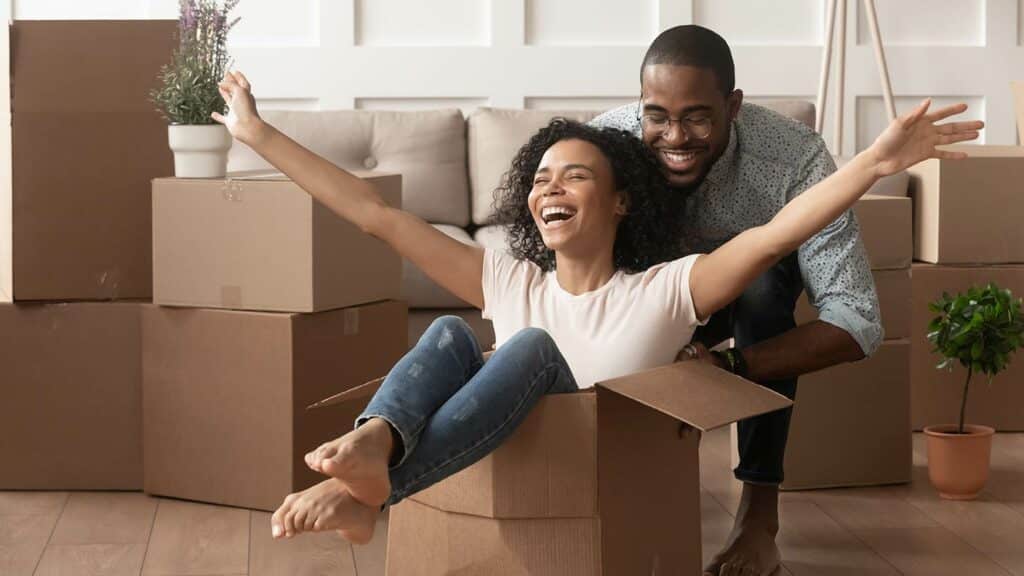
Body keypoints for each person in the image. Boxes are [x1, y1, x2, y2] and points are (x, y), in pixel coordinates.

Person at [211, 71, 980, 563]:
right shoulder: (508, 278)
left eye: (575, 175)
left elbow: (777, 233)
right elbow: (374, 214)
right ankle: (376, 448)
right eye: (541, 177)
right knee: (449, 332)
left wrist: (874, 165)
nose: (551, 187)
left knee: (532, 349)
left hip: (590, 473)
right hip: (501, 456)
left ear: (619, 202)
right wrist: (257, 133)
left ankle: (370, 495)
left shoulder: (664, 292)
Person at [590, 25, 894, 575]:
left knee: (759, 293)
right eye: (657, 114)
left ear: (733, 105)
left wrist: (728, 367)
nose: (675, 137)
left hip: (751, 307)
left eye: (698, 116)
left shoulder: (796, 158)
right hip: (646, 295)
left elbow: (858, 321)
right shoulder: (606, 145)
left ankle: (759, 517)